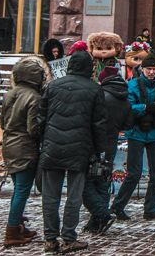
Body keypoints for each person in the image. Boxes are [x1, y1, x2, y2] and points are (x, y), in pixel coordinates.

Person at [36, 51, 107, 254]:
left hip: (53, 147)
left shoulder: (52, 86)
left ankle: (50, 239)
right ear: (88, 68)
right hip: (80, 149)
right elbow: (99, 125)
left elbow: (40, 119)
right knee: (74, 196)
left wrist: (45, 141)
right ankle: (68, 237)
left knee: (50, 197)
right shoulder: (94, 89)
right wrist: (98, 151)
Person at [110, 57, 155, 221]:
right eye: (149, 69)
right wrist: (146, 107)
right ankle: (117, 207)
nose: (152, 72)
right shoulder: (133, 84)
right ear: (143, 70)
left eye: (154, 69)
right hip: (137, 132)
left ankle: (150, 208)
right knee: (134, 173)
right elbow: (128, 107)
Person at [1, 57, 45, 247]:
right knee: (22, 190)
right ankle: (12, 231)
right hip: (25, 147)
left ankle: (17, 225)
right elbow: (32, 128)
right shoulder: (33, 97)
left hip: (9, 144)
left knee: (17, 188)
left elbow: (3, 122)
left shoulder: (10, 94)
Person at [81, 67, 130, 236]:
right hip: (111, 143)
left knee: (85, 181)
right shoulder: (124, 97)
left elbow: (93, 120)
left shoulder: (100, 95)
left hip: (94, 143)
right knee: (103, 180)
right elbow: (128, 124)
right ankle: (97, 221)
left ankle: (101, 214)